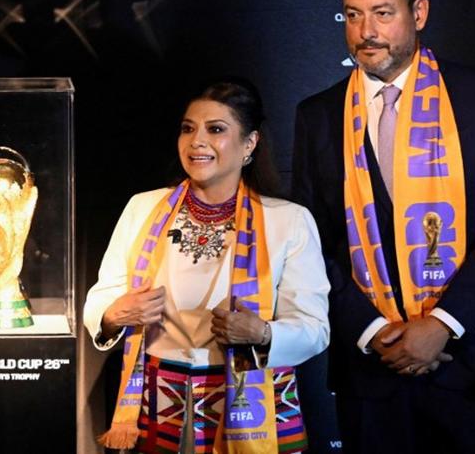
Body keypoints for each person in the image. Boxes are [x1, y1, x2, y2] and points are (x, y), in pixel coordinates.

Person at [292, 0, 475, 453]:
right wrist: (370, 331)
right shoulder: (318, 115)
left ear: (419, 13)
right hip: (370, 371)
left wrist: (442, 324)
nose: (366, 30)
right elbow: (311, 246)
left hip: (467, 366)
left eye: (383, 13)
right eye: (353, 14)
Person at [85, 80, 330, 453]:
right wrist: (114, 312)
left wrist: (263, 333)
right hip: (157, 403)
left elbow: (314, 328)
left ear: (249, 144)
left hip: (250, 404)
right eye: (188, 129)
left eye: (215, 129)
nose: (196, 141)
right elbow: (102, 298)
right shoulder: (143, 207)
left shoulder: (288, 221)